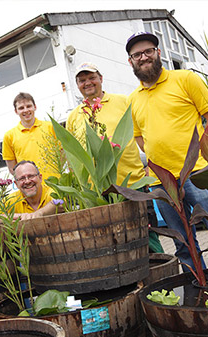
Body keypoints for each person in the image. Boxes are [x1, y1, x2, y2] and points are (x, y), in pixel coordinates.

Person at [125, 31, 208, 270]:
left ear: (158, 53)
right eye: (137, 54)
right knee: (182, 242)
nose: (143, 57)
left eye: (148, 51)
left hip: (199, 173)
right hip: (162, 182)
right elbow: (140, 138)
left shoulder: (185, 79)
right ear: (130, 61)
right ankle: (199, 287)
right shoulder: (132, 99)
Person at [66, 62, 164, 253]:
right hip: (99, 193)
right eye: (82, 80)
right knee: (113, 244)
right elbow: (73, 155)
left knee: (147, 234)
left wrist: (151, 163)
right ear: (77, 85)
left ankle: (161, 277)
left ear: (101, 79)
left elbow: (144, 132)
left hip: (132, 184)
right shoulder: (74, 116)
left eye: (92, 77)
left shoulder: (124, 101)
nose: (88, 83)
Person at [2, 93, 59, 181]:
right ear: (16, 111)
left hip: (56, 183)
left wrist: (55, 171)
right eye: (21, 108)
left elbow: (63, 153)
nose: (26, 110)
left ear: (35, 107)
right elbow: (12, 168)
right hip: (31, 188)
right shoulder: (9, 136)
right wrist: (26, 181)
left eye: (29, 106)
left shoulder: (51, 127)